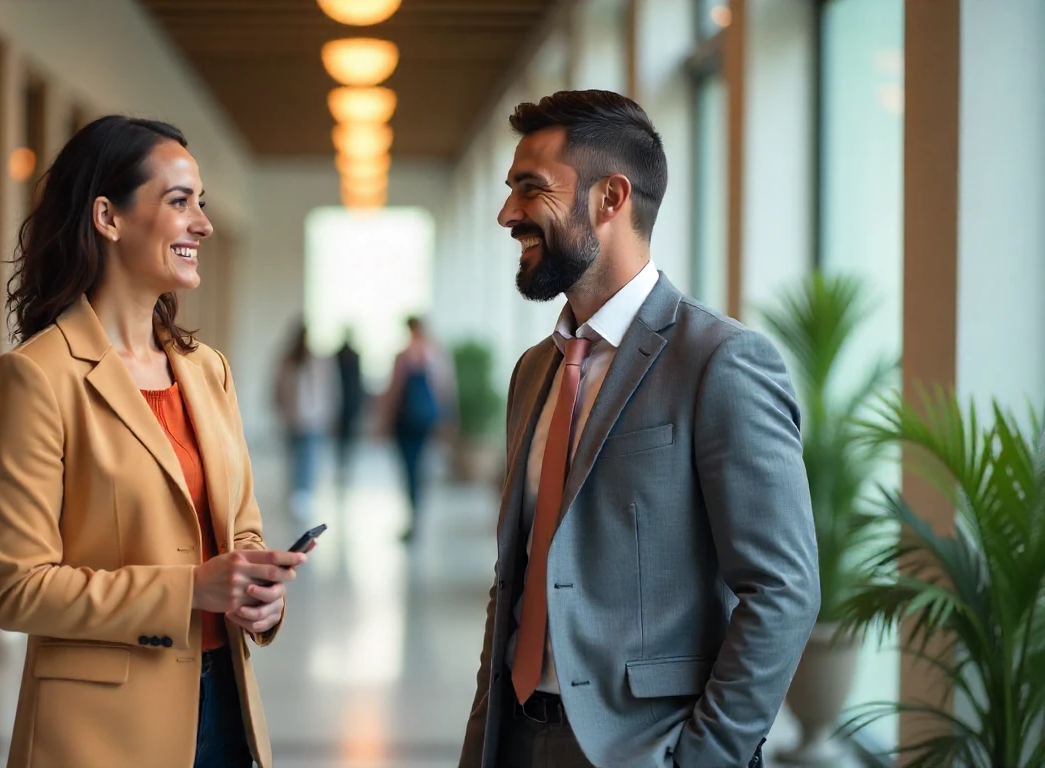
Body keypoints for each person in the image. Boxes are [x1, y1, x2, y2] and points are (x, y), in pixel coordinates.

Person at [458, 90, 819, 768]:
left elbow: (784, 590)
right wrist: (483, 739)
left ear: (610, 198)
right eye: (510, 190)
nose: (508, 214)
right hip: (516, 736)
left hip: (640, 747)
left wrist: (705, 757)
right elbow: (519, 574)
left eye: (530, 189)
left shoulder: (720, 362)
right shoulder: (534, 372)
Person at [0, 116, 305, 768]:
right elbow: (18, 589)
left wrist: (258, 593)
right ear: (108, 217)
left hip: (227, 710)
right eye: (179, 202)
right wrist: (190, 589)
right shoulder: (35, 378)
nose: (203, 224)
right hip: (100, 735)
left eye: (201, 203)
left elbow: (239, 534)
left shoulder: (207, 370)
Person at [382, 316, 456, 541]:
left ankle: (413, 514)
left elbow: (394, 392)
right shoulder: (436, 354)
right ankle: (417, 514)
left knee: (409, 469)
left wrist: (383, 420)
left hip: (404, 422)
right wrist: (448, 420)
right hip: (426, 420)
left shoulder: (403, 356)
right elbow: (444, 389)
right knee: (421, 468)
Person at [271, 321, 338, 520]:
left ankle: (303, 493)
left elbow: (329, 389)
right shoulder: (289, 360)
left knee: (307, 457)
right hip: (298, 418)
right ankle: (298, 493)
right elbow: (278, 389)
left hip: (312, 419)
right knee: (297, 457)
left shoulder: (318, 361)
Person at [333, 327, 366, 483]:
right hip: (343, 401)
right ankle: (342, 463)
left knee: (348, 436)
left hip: (349, 401)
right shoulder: (337, 356)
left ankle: (345, 464)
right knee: (342, 436)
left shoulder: (353, 356)